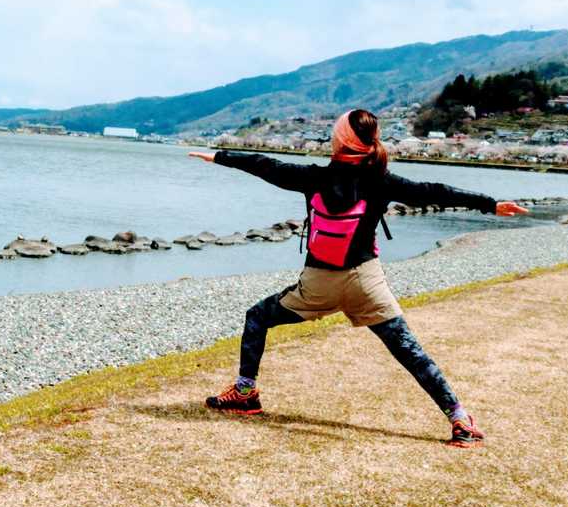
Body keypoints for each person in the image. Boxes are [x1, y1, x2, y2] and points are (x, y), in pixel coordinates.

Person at [188, 109, 528, 447]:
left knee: (258, 317)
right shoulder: (381, 181)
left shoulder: (314, 177)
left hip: (318, 285)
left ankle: (245, 393)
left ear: (340, 140)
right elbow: (434, 191)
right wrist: (490, 204)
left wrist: (220, 157)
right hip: (367, 285)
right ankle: (459, 419)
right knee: (409, 351)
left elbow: (266, 165)